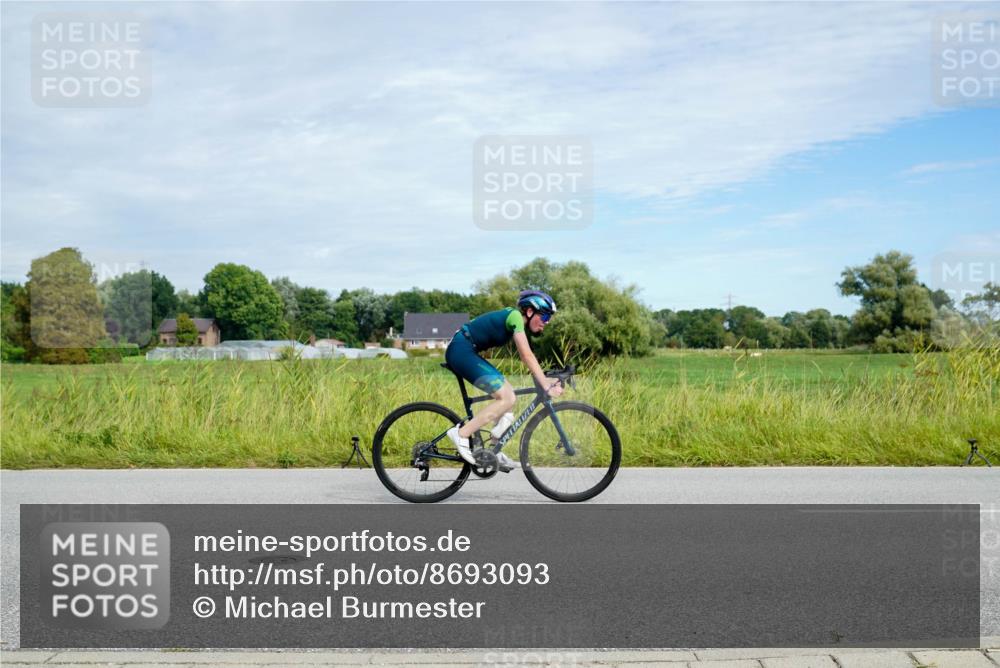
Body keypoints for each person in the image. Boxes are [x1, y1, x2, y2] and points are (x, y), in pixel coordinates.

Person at [445, 290, 563, 471]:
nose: (546, 322)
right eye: (545, 316)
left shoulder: (515, 321)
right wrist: (546, 384)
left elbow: (527, 358)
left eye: (549, 318)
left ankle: (495, 450)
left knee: (508, 397)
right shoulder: (515, 317)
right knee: (507, 398)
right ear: (530, 311)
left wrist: (544, 378)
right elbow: (526, 355)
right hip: (461, 350)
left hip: (466, 349)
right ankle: (461, 434)